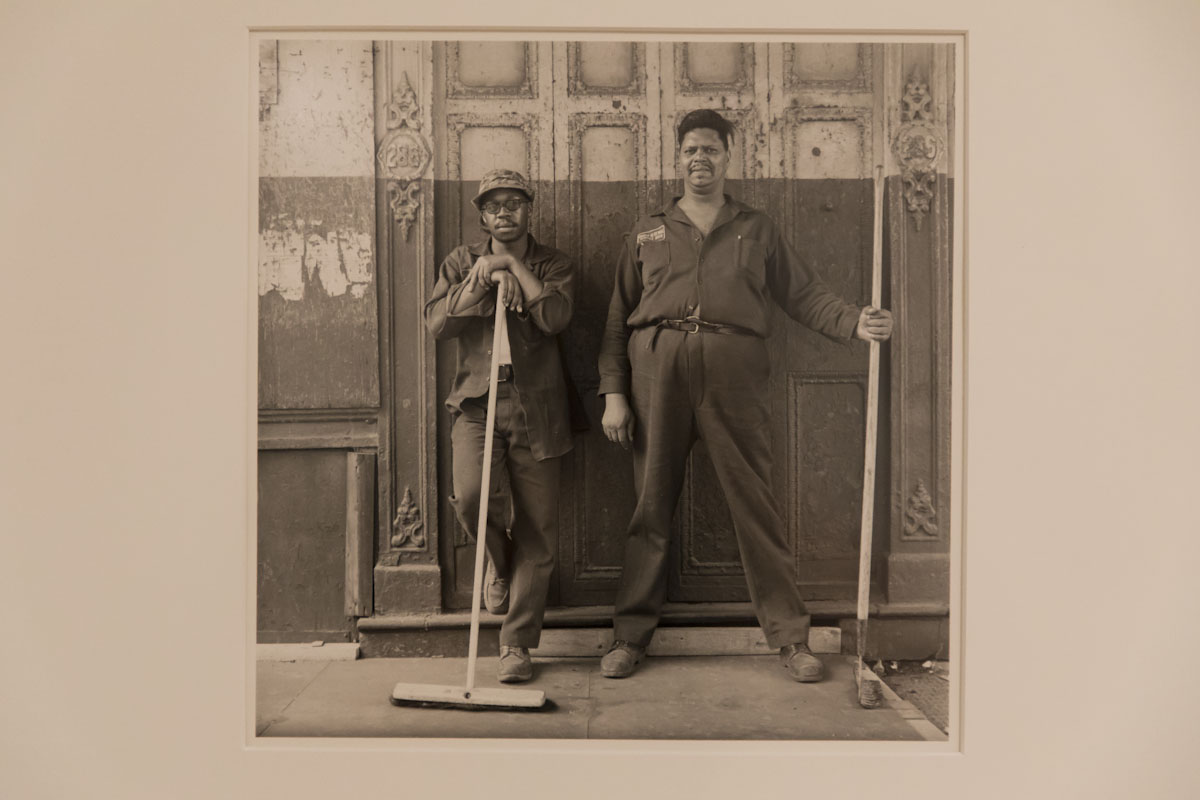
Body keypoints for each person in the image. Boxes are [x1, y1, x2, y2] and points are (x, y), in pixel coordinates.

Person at [597, 109, 894, 682]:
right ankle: (629, 637)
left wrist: (853, 321)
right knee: (649, 509)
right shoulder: (647, 230)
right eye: (690, 149)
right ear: (678, 157)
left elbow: (803, 294)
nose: (699, 159)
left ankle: (791, 639)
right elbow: (617, 319)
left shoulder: (756, 228)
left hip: (734, 376)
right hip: (656, 373)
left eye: (710, 149)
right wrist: (614, 392)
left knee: (755, 507)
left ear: (728, 156)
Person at [424, 169, 576, 684]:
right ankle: (499, 560)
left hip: (538, 406)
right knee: (470, 497)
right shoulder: (459, 262)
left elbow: (555, 318)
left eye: (514, 202)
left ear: (529, 209)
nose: (504, 212)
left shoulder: (554, 263)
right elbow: (438, 324)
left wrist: (512, 264)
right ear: (482, 216)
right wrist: (486, 277)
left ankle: (516, 645)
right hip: (477, 402)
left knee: (539, 527)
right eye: (493, 205)